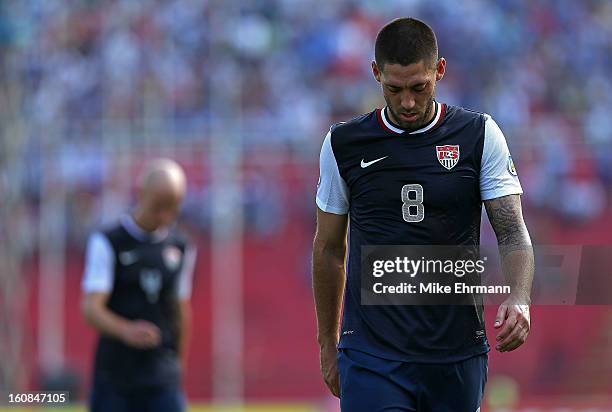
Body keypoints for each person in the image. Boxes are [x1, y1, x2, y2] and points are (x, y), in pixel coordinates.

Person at [312, 17, 534, 411]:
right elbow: (329, 249)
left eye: (419, 87)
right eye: (394, 89)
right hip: (371, 354)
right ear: (376, 73)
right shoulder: (343, 144)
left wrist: (519, 297)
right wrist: (327, 343)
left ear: (440, 70)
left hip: (456, 351)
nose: (408, 101)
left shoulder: (478, 135)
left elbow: (512, 230)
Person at [81, 158, 196, 412]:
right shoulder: (109, 241)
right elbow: (91, 308)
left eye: (172, 207)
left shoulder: (180, 246)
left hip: (161, 377)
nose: (165, 215)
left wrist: (178, 367)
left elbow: (180, 309)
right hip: (115, 377)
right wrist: (126, 330)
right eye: (159, 206)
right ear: (141, 193)